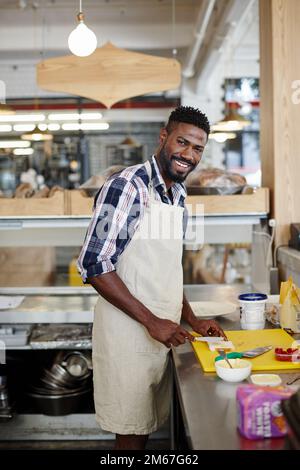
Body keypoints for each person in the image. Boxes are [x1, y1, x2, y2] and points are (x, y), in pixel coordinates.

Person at [77, 106, 226, 450]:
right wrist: (151, 321)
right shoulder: (128, 187)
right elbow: (93, 263)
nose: (189, 155)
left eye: (198, 148)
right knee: (132, 434)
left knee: (150, 426)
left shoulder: (178, 194)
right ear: (164, 137)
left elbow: (165, 266)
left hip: (164, 330)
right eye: (182, 142)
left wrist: (191, 318)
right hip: (129, 333)